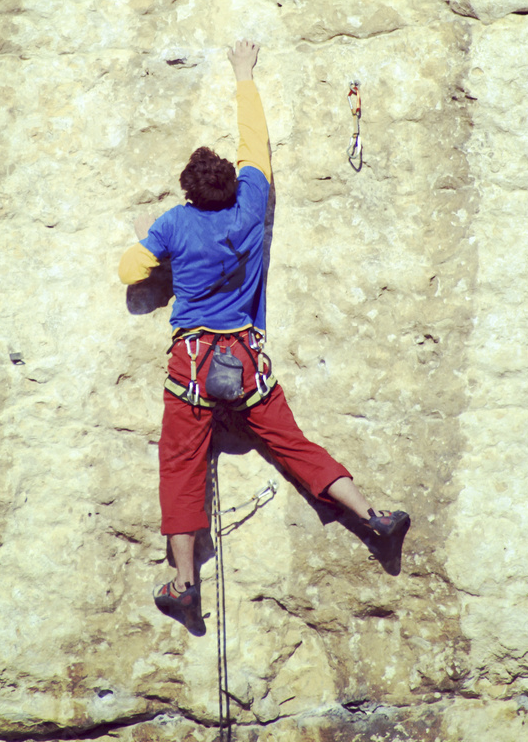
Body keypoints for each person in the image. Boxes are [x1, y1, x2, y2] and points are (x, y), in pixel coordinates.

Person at [119, 40, 409, 635]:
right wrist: (244, 74)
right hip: (247, 365)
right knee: (295, 445)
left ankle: (184, 584)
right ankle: (373, 517)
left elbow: (129, 273)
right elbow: (256, 144)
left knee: (180, 469)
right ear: (231, 184)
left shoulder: (175, 223)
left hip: (193, 367)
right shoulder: (251, 206)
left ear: (188, 192)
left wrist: (162, 260)